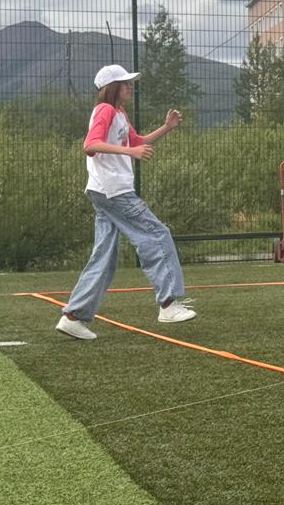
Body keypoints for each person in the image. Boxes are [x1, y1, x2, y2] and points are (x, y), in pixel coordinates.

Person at [55, 64, 197, 340]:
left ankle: (73, 317)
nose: (130, 86)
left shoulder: (119, 113)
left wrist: (166, 128)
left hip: (104, 191)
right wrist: (130, 152)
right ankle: (168, 303)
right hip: (114, 191)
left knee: (104, 257)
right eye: (125, 82)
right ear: (111, 87)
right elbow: (90, 145)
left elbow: (138, 141)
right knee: (157, 234)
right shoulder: (105, 110)